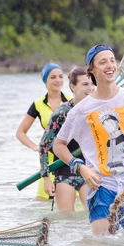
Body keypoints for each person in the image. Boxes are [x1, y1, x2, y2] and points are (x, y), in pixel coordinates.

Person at [53, 44, 124, 234]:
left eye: (112, 60)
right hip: (102, 190)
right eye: (103, 62)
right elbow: (58, 145)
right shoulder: (80, 110)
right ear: (92, 70)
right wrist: (80, 167)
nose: (110, 65)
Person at [38, 68, 95, 211]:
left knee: (91, 216)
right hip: (65, 171)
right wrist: (46, 178)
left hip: (89, 169)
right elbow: (44, 146)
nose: (90, 88)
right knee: (66, 219)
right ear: (73, 87)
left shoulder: (97, 109)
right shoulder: (62, 112)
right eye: (85, 84)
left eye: (92, 84)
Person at [16, 63, 71, 200]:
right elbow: (20, 132)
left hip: (68, 157)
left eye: (60, 76)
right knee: (43, 202)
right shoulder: (38, 104)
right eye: (53, 77)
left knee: (72, 206)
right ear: (45, 81)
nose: (57, 80)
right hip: (48, 160)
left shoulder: (72, 101)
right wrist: (35, 146)